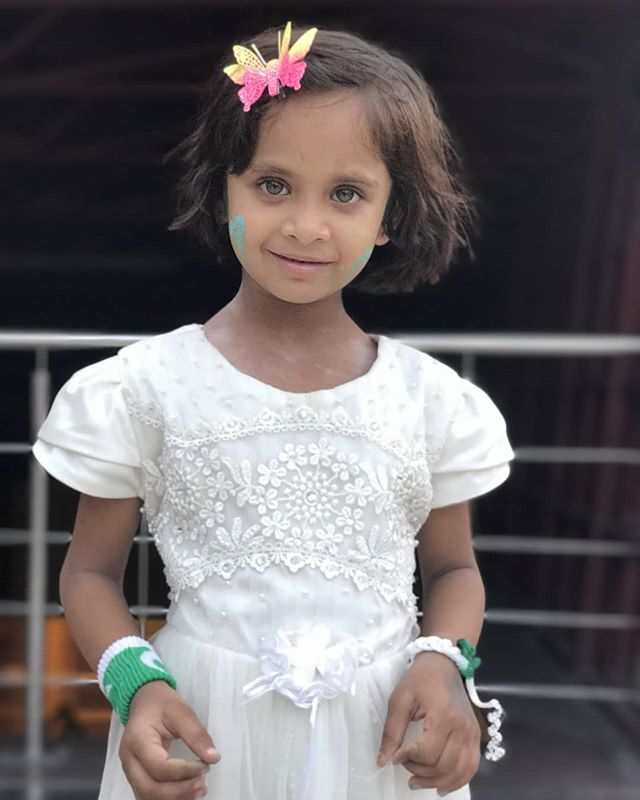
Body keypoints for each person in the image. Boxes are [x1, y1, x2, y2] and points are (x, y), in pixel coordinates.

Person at [31, 19, 515, 800]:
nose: (304, 225)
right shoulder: (142, 387)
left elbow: (454, 568)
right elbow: (89, 573)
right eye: (273, 184)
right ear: (225, 184)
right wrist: (135, 685)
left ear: (390, 216)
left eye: (347, 193)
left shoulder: (428, 401)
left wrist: (444, 663)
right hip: (203, 729)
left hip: (382, 741)